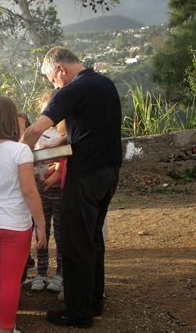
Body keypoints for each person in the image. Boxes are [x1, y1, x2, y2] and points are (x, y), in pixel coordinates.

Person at [22, 47, 122, 328]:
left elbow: (35, 130)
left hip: (85, 177)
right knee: (93, 239)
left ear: (61, 70)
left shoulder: (69, 90)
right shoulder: (105, 83)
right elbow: (93, 134)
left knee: (75, 243)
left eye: (51, 79)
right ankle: (93, 301)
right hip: (109, 173)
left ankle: (78, 313)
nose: (53, 86)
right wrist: (61, 145)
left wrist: (17, 155)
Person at [0, 96, 46, 333]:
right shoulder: (20, 151)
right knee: (11, 280)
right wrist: (41, 224)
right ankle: (6, 328)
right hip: (15, 224)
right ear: (12, 120)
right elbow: (28, 190)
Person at [30, 90, 67, 293]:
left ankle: (61, 273)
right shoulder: (35, 133)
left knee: (61, 234)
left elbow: (68, 158)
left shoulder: (66, 132)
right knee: (41, 232)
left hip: (60, 191)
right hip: (40, 190)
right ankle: (41, 273)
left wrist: (57, 173)